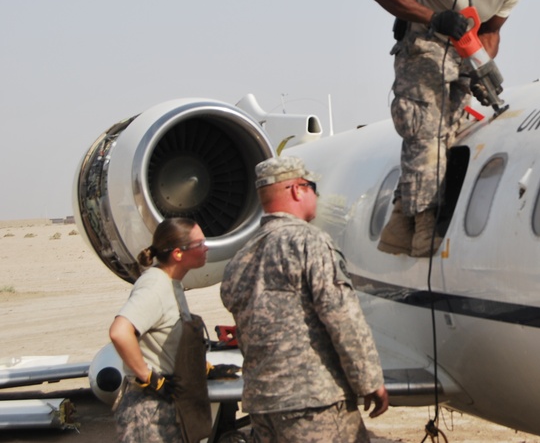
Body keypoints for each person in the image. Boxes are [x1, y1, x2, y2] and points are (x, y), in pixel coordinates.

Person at [373, 0, 540, 257]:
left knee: (453, 128)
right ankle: (424, 227)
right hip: (423, 44)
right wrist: (434, 17)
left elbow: (491, 32)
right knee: (427, 125)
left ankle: (398, 222)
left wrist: (479, 69)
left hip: (461, 50)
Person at [221, 155, 389, 443]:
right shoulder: (309, 242)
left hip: (263, 406)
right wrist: (369, 380)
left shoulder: (242, 257)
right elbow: (341, 316)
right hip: (313, 403)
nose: (316, 195)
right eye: (312, 187)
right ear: (297, 190)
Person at [108, 216, 212, 442]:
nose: (206, 248)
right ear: (178, 253)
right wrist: (149, 377)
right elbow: (120, 332)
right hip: (148, 412)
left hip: (167, 406)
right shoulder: (155, 285)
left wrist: (198, 367)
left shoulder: (172, 284)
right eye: (200, 244)